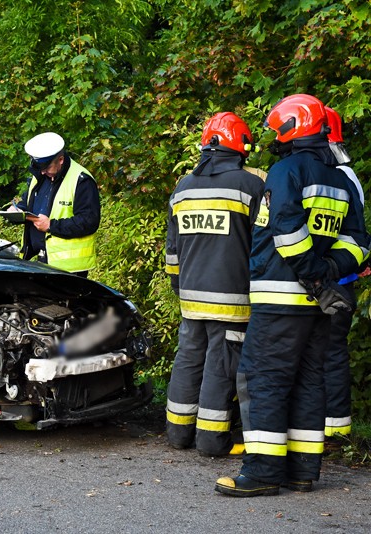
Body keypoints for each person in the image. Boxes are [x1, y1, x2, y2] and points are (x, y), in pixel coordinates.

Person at [215, 94, 368, 497]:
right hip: (319, 304)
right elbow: (358, 242)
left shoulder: (284, 172)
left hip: (281, 298)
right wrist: (331, 273)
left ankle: (263, 472)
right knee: (307, 381)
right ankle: (301, 470)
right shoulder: (339, 178)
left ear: (290, 129)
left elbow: (284, 230)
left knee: (263, 380)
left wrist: (316, 277)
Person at [165, 112, 266, 457]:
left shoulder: (183, 186)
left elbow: (172, 248)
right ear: (241, 147)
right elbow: (264, 244)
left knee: (189, 359)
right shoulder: (252, 185)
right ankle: (211, 441)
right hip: (233, 297)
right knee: (221, 365)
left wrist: (180, 287)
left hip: (191, 296)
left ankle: (178, 434)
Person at [322, 106, 370, 440]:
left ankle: (328, 429)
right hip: (340, 280)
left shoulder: (330, 177)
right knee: (332, 355)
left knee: (323, 355)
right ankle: (335, 428)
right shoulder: (347, 175)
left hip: (327, 282)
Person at [11, 132, 100, 276]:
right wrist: (16, 210)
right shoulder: (41, 176)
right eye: (40, 169)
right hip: (38, 260)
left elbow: (89, 221)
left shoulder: (81, 180)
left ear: (61, 160)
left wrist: (51, 226)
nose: (44, 172)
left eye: (47, 168)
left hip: (69, 269)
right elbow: (27, 203)